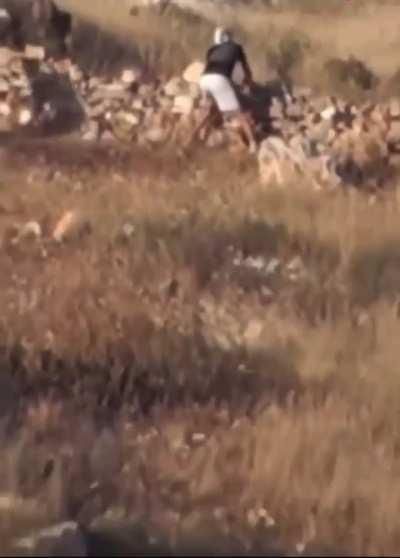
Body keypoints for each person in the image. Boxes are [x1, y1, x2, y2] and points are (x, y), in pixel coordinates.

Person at [188, 27, 257, 153]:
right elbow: (245, 69)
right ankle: (253, 144)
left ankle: (190, 141)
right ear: (229, 38)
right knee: (238, 113)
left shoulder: (211, 50)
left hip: (204, 80)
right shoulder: (236, 48)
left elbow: (212, 66)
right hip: (218, 79)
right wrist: (249, 83)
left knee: (208, 113)